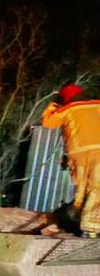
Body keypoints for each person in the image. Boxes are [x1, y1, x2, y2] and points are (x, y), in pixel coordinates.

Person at [42, 82, 100, 238]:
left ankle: (86, 227)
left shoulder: (67, 109)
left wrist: (53, 105)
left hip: (80, 154)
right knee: (96, 188)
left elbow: (48, 123)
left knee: (82, 190)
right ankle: (90, 226)